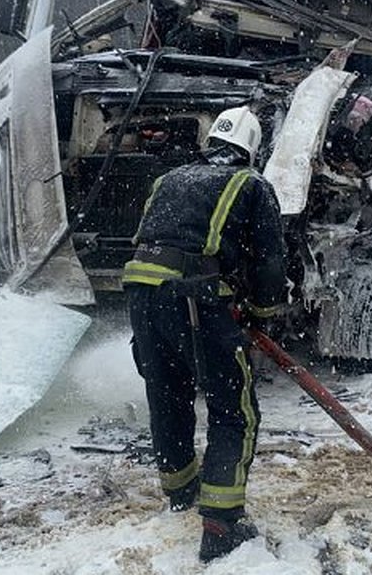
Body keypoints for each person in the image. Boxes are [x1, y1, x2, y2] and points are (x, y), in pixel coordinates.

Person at [122, 105, 287, 563]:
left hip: (140, 293)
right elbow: (270, 262)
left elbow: (152, 238)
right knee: (233, 410)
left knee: (168, 395)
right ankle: (221, 524)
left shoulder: (169, 179)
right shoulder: (250, 184)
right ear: (251, 149)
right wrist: (261, 310)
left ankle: (179, 490)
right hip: (194, 298)